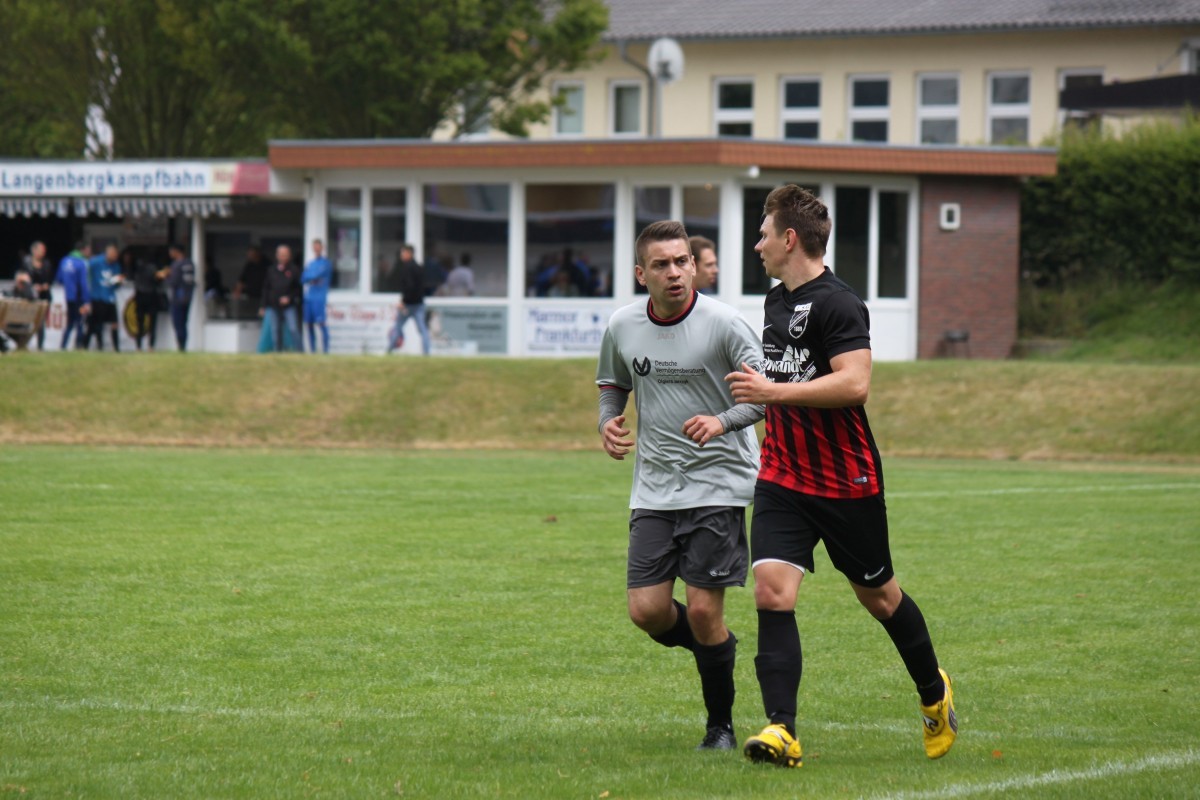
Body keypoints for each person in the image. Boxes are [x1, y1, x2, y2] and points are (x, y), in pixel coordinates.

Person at [727, 185, 957, 768]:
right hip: (782, 474)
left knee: (880, 597)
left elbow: (855, 384)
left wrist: (772, 391)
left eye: (763, 234)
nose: (757, 245)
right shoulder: (775, 302)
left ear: (789, 239)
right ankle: (781, 730)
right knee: (771, 590)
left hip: (845, 481)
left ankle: (934, 692)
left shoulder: (840, 304)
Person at [596, 219, 766, 752]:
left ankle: (720, 728)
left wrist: (722, 420)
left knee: (705, 610)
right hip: (654, 486)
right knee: (646, 611)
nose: (674, 272)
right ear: (640, 274)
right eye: (661, 264)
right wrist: (607, 421)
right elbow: (612, 383)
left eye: (682, 261)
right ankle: (717, 648)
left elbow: (766, 396)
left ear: (693, 265)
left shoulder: (725, 324)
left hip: (718, 483)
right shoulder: (623, 325)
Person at [386, 244, 431, 355]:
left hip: (408, 305)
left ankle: (389, 351)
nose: (401, 255)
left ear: (409, 253)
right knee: (423, 329)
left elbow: (409, 287)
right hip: (419, 303)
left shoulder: (407, 268)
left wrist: (403, 301)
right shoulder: (419, 268)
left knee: (398, 327)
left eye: (403, 252)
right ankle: (427, 352)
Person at [261, 244, 301, 352]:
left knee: (293, 328)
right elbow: (266, 288)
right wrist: (263, 306)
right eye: (281, 254)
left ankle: (300, 352)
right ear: (277, 255)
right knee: (275, 330)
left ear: (289, 256)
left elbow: (298, 289)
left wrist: (289, 298)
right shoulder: (271, 270)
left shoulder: (294, 270)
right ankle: (277, 353)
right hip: (273, 306)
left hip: (289, 306)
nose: (283, 257)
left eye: (285, 254)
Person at [84, 244, 124, 351]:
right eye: (114, 255)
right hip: (97, 297)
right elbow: (85, 270)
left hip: (110, 298)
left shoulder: (116, 265)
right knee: (96, 324)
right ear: (108, 253)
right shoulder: (96, 262)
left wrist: (119, 282)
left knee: (114, 323)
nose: (115, 257)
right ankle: (97, 346)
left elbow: (115, 283)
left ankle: (116, 348)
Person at [56, 242, 92, 350]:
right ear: (82, 250)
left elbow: (59, 279)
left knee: (70, 322)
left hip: (69, 297)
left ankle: (63, 345)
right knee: (80, 322)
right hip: (79, 297)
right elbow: (83, 283)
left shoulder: (64, 260)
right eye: (88, 250)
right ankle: (79, 346)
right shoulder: (82, 263)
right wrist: (86, 300)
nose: (89, 252)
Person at [301, 238, 332, 354]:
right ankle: (312, 351)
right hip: (309, 298)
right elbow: (303, 278)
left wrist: (310, 275)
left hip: (319, 298)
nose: (316, 248)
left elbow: (315, 275)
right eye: (314, 246)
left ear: (322, 248)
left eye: (318, 246)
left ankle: (325, 351)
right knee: (309, 324)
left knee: (321, 323)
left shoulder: (326, 263)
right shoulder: (310, 263)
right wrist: (310, 276)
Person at [163, 243, 196, 352]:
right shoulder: (189, 263)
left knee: (178, 322)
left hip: (178, 298)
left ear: (176, 251)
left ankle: (181, 346)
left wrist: (165, 276)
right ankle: (183, 345)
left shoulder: (176, 265)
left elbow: (173, 282)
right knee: (184, 322)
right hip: (188, 297)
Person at [127, 248, 160, 352]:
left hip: (140, 296)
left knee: (139, 323)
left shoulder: (137, 267)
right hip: (151, 296)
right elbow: (158, 281)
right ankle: (151, 346)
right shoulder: (154, 268)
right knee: (152, 323)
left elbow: (130, 277)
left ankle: (138, 346)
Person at [25, 241, 53, 350]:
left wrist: (45, 286)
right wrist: (32, 286)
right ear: (34, 250)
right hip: (31, 297)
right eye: (41, 250)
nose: (43, 252)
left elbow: (50, 280)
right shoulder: (27, 262)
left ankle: (40, 346)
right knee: (28, 321)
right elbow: (23, 277)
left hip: (44, 296)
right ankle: (25, 343)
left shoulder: (47, 264)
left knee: (41, 322)